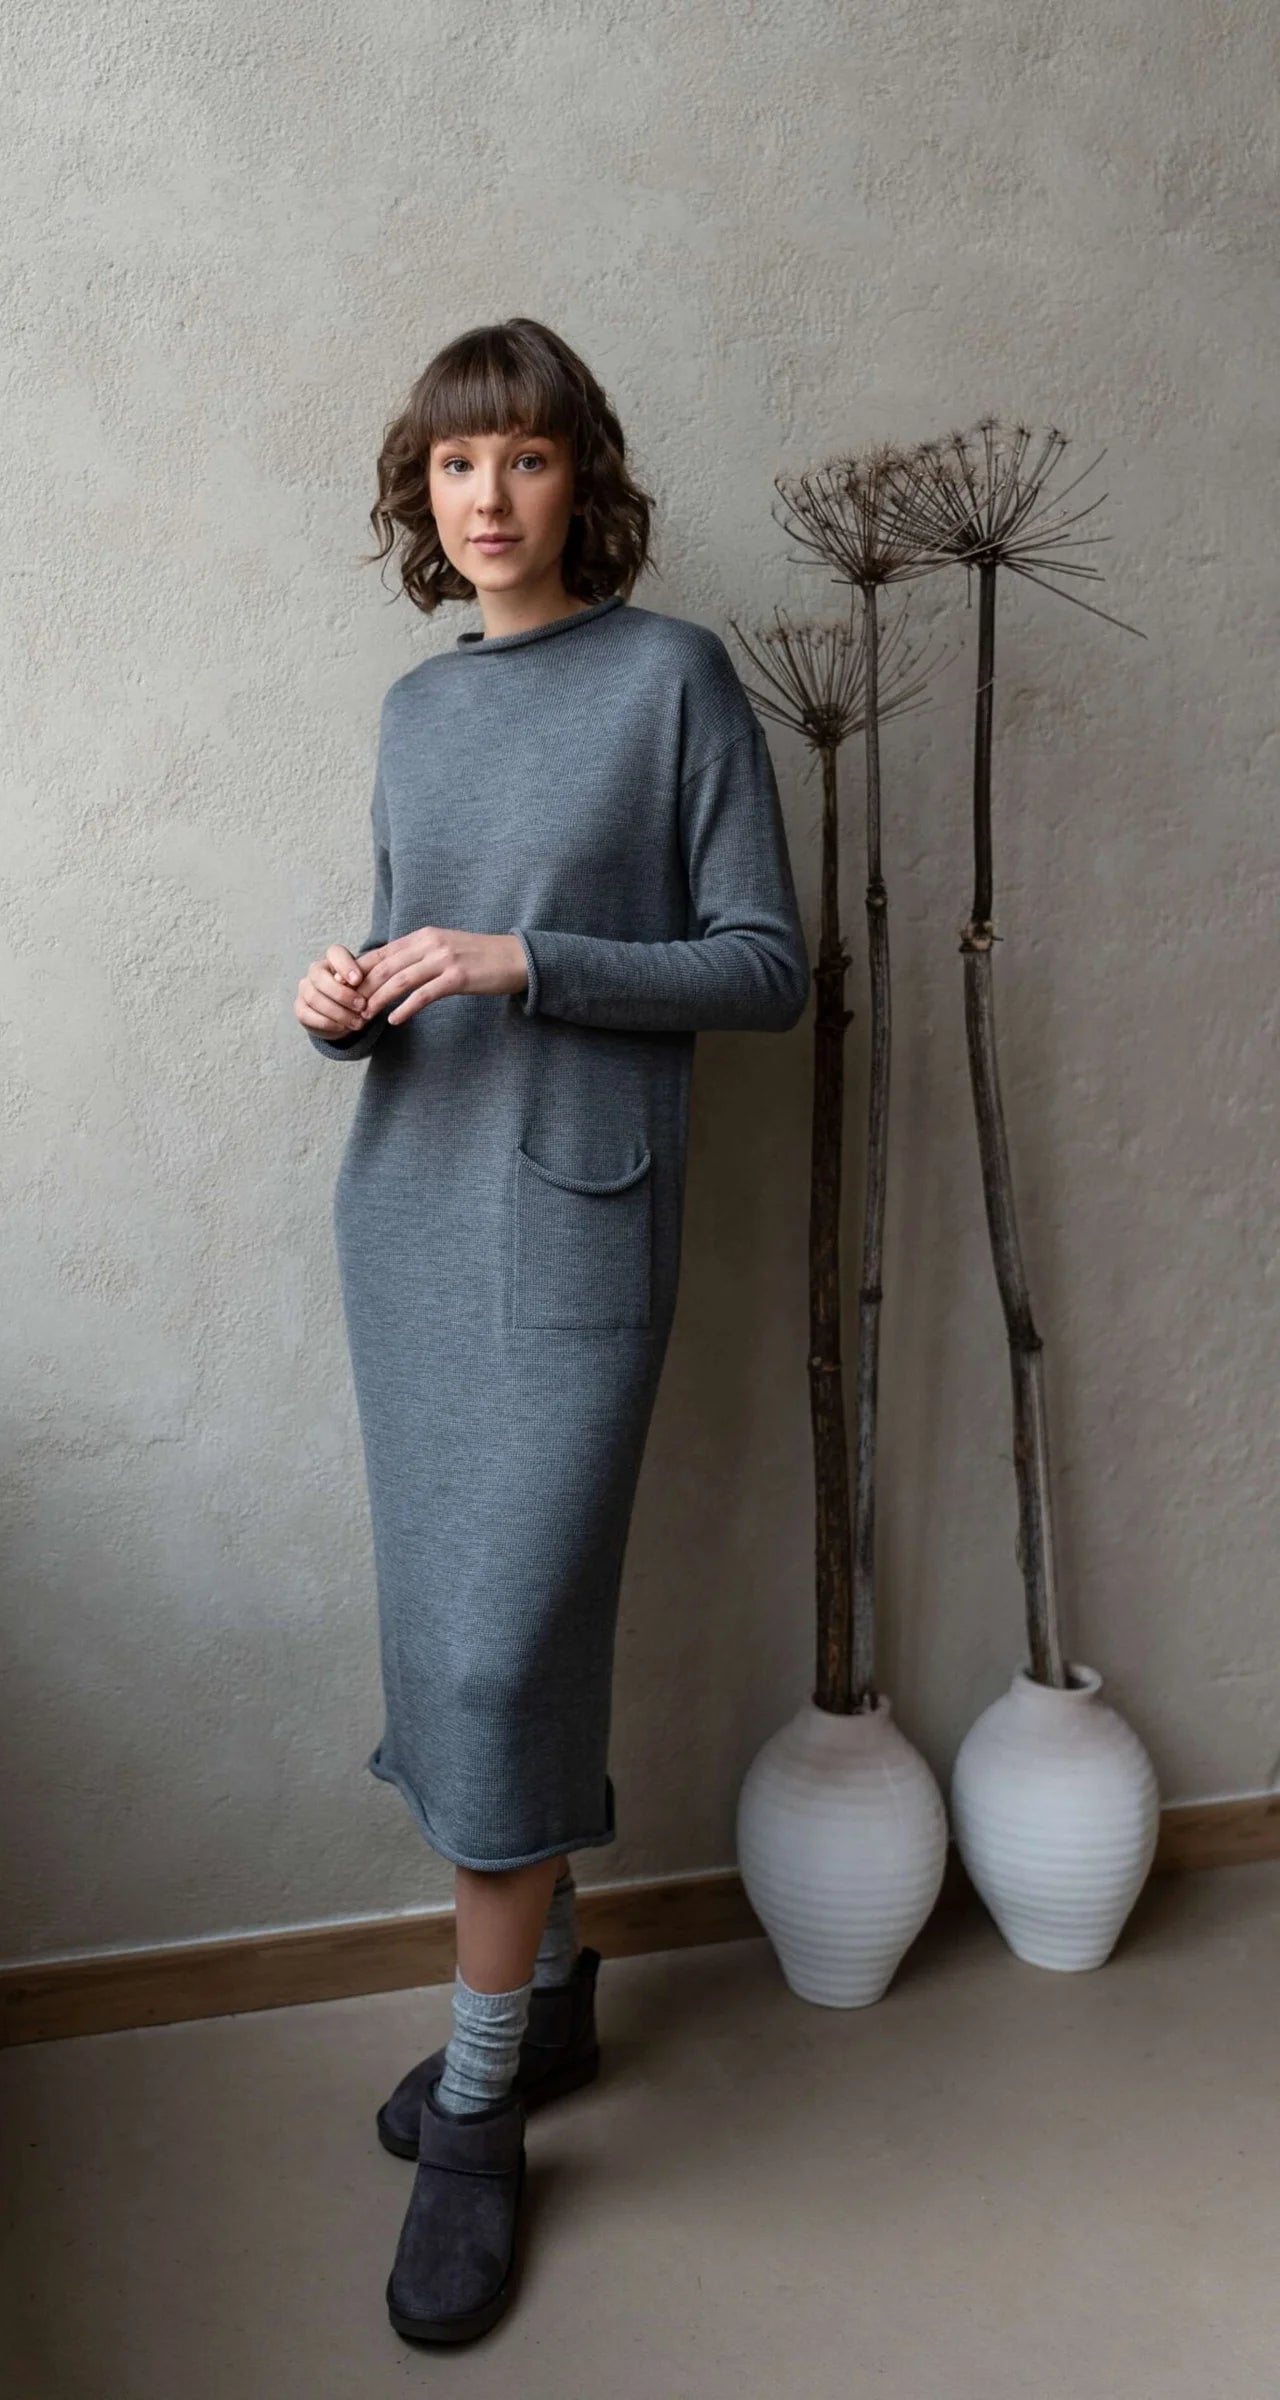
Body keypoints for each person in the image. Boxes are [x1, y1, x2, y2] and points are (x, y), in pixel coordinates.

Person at [294, 317, 810, 2345]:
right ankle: (561, 1989)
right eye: (452, 464)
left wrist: (531, 958)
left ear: (579, 475)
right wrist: (345, 1003)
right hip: (410, 1219)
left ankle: (483, 2105)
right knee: (455, 1644)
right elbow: (409, 943)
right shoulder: (416, 710)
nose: (485, 497)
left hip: (577, 1229)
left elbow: (763, 966)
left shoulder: (673, 680)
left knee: (502, 1650)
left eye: (520, 457)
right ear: (417, 495)